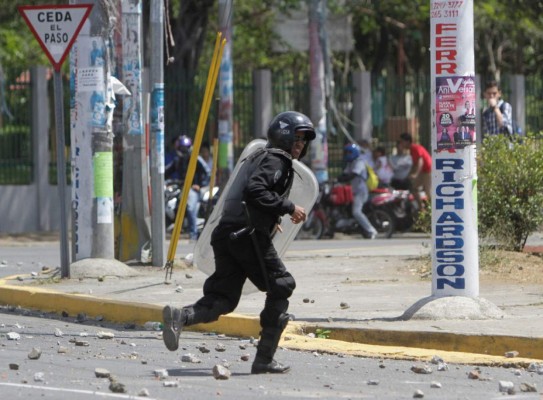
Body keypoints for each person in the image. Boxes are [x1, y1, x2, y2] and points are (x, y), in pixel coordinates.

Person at [161, 111, 316, 374]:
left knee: (224, 297)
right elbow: (256, 190)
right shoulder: (277, 160)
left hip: (227, 234)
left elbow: (244, 197)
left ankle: (181, 317)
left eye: (304, 140)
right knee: (281, 285)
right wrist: (288, 207)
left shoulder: (258, 156)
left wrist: (270, 215)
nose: (300, 144)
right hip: (248, 236)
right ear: (284, 136)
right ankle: (264, 359)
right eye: (297, 138)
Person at [164, 135, 210, 240]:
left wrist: (200, 185)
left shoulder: (195, 159)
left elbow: (208, 173)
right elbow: (167, 172)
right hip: (181, 188)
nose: (183, 151)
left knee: (190, 207)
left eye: (185, 148)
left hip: (193, 189)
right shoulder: (178, 160)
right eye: (181, 148)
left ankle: (193, 233)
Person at [339, 143, 378, 239]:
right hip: (354, 191)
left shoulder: (359, 162)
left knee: (356, 212)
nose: (347, 154)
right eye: (346, 152)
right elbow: (344, 175)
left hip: (361, 191)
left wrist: (343, 178)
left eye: (349, 152)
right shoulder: (351, 163)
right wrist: (337, 179)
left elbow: (353, 175)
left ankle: (371, 230)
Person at [398, 132, 432, 208]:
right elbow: (415, 164)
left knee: (428, 191)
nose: (400, 144)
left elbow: (420, 161)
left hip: (428, 171)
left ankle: (433, 209)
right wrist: (409, 174)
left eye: (401, 141)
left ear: (407, 141)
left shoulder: (415, 148)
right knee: (413, 188)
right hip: (423, 172)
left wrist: (415, 174)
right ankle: (421, 207)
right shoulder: (411, 150)